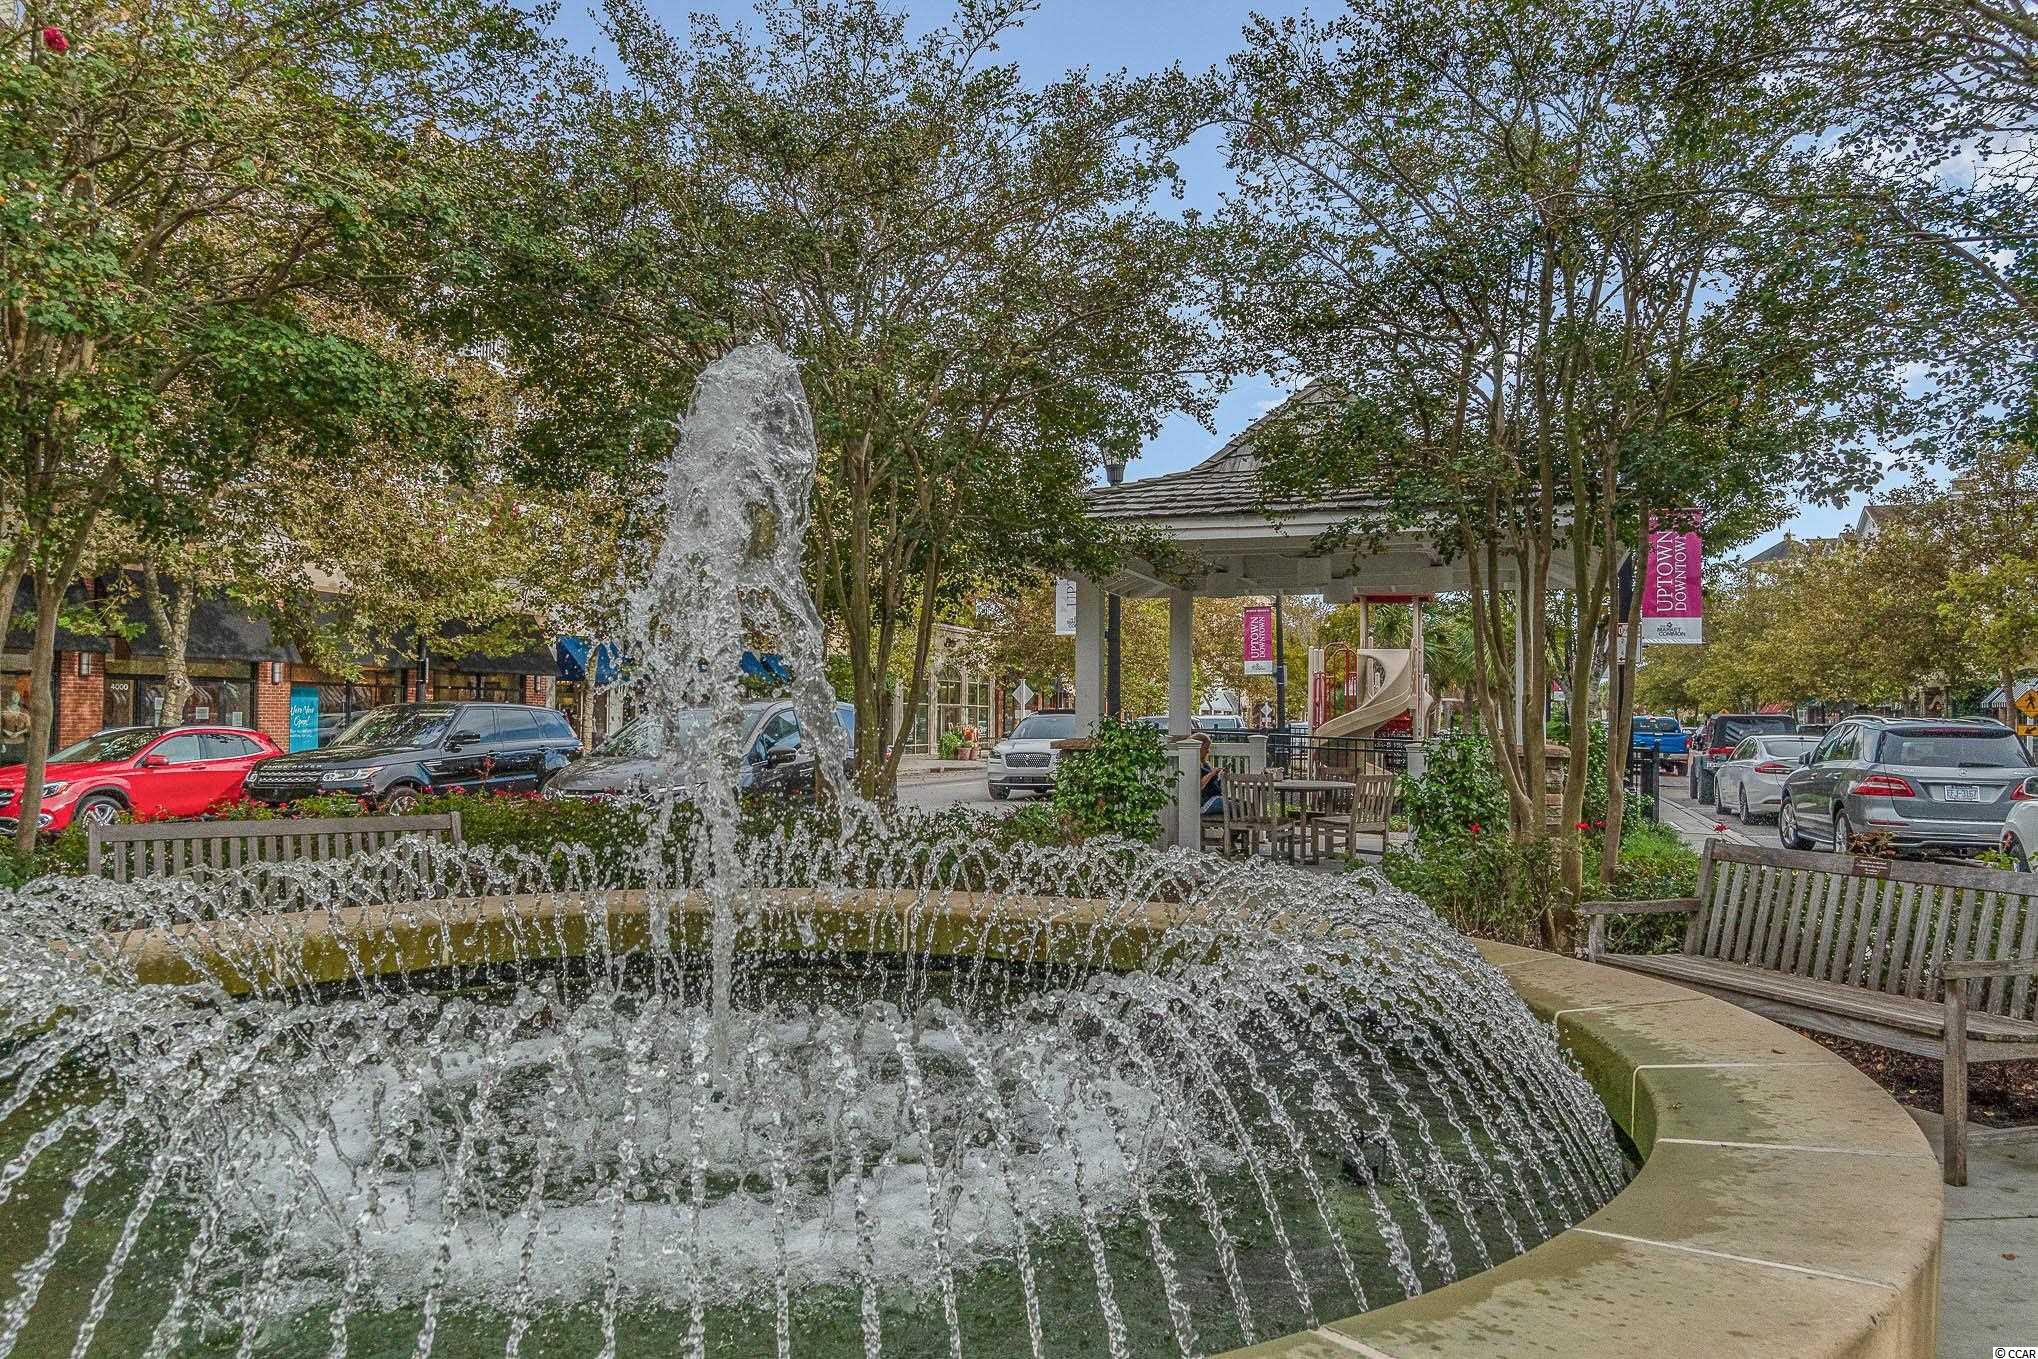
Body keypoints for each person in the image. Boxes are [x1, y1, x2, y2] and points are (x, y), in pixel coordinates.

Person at [1196, 731, 1225, 816]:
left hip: (1216, 797)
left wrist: (1220, 776)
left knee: (1244, 804)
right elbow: (1199, 786)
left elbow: (1214, 785)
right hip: (1206, 802)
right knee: (1239, 807)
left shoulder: (1206, 764)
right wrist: (1212, 773)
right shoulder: (1194, 764)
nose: (1208, 751)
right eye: (1206, 748)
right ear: (1198, 748)